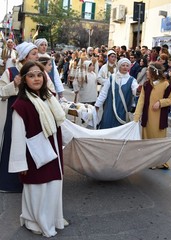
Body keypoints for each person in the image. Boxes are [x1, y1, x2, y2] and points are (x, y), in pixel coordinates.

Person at [9, 61, 68, 236]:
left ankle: (52, 219)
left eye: (39, 75)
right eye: (31, 75)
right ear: (24, 79)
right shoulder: (21, 105)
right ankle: (32, 220)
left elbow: (59, 122)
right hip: (34, 154)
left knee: (53, 186)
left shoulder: (49, 97)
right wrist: (21, 164)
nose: (36, 79)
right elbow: (18, 136)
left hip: (53, 150)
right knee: (37, 188)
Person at [0, 41, 38, 193]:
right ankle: (8, 183)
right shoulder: (10, 72)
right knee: (12, 144)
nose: (37, 57)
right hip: (13, 114)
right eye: (34, 54)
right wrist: (14, 85)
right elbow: (1, 91)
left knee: (28, 146)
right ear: (24, 57)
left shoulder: (37, 72)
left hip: (31, 115)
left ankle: (28, 182)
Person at [134, 62, 171, 169]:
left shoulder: (165, 84)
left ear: (154, 72)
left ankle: (158, 161)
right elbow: (141, 101)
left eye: (148, 70)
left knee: (158, 141)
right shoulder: (146, 85)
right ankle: (148, 160)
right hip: (147, 118)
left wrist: (160, 103)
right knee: (147, 140)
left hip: (159, 119)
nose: (146, 72)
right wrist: (137, 116)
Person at [95, 58, 138, 129]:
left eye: (127, 65)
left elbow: (135, 91)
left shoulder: (132, 80)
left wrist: (139, 89)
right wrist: (97, 105)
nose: (125, 67)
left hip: (122, 110)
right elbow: (104, 92)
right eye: (123, 65)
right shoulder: (112, 78)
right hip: (109, 109)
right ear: (119, 66)